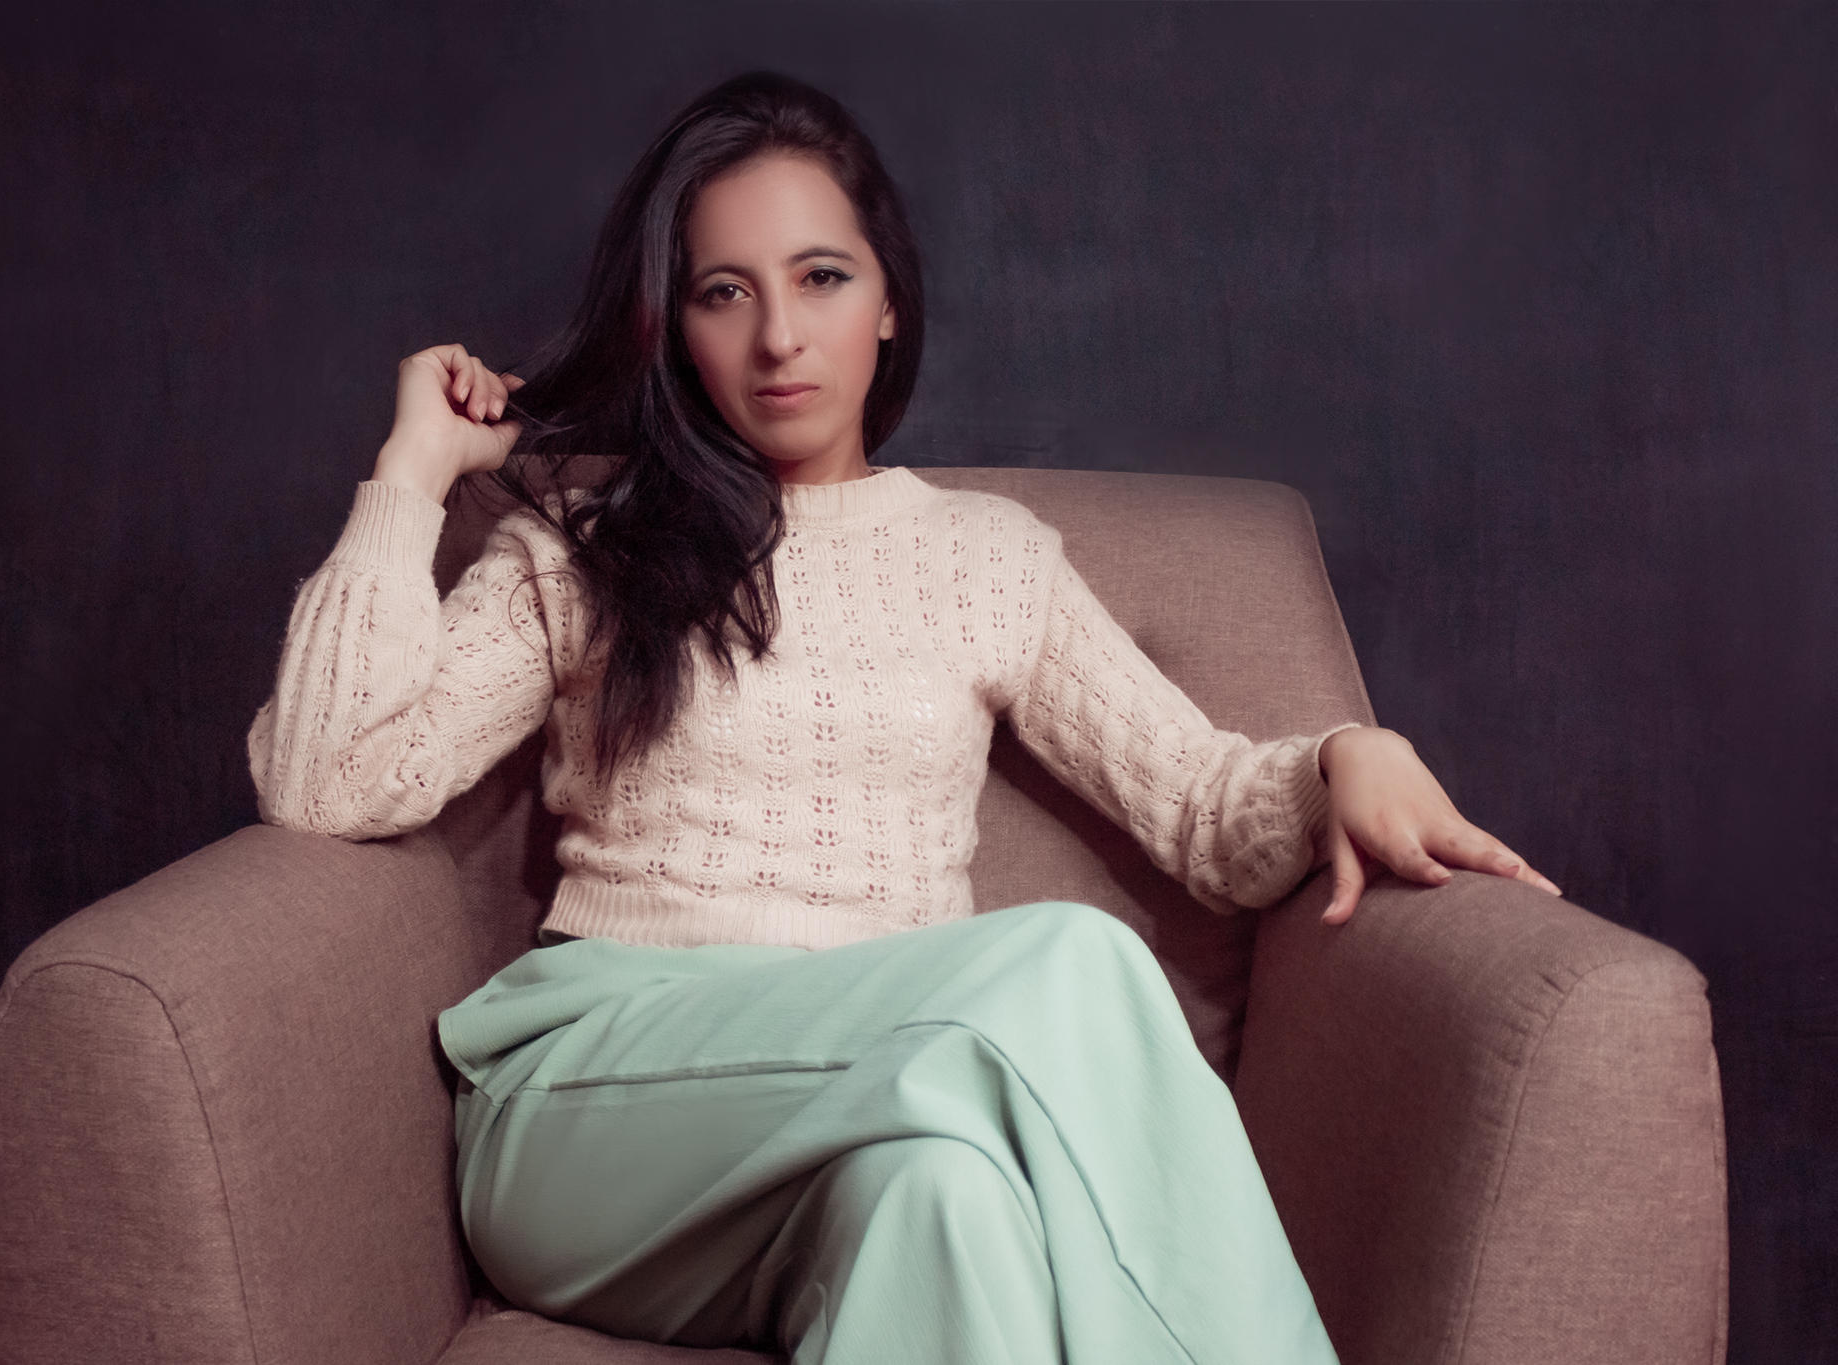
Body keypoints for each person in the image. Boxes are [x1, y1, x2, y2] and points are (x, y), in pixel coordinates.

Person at [246, 70, 1560, 1365]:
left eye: (821, 277)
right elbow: (327, 779)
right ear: (673, 327)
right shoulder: (589, 550)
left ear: (887, 303)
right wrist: (413, 473)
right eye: (723, 292)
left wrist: (1345, 758)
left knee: (949, 1199)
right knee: (1074, 965)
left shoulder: (989, 557)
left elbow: (1206, 810)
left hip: (872, 1129)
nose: (779, 336)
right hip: (595, 1114)